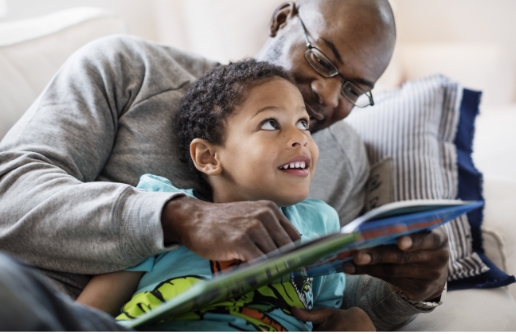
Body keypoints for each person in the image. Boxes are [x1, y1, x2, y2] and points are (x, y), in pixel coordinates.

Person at [0, 0, 448, 331]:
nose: (328, 99)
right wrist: (178, 217)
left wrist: (410, 290)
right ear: (282, 19)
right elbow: (9, 194)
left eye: (353, 90)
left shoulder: (343, 156)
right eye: (322, 59)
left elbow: (334, 297)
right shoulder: (131, 68)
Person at [76, 58, 376, 331]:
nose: (300, 138)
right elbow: (84, 317)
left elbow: (322, 319)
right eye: (270, 123)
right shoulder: (162, 210)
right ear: (208, 156)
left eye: (303, 123)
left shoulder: (320, 224)